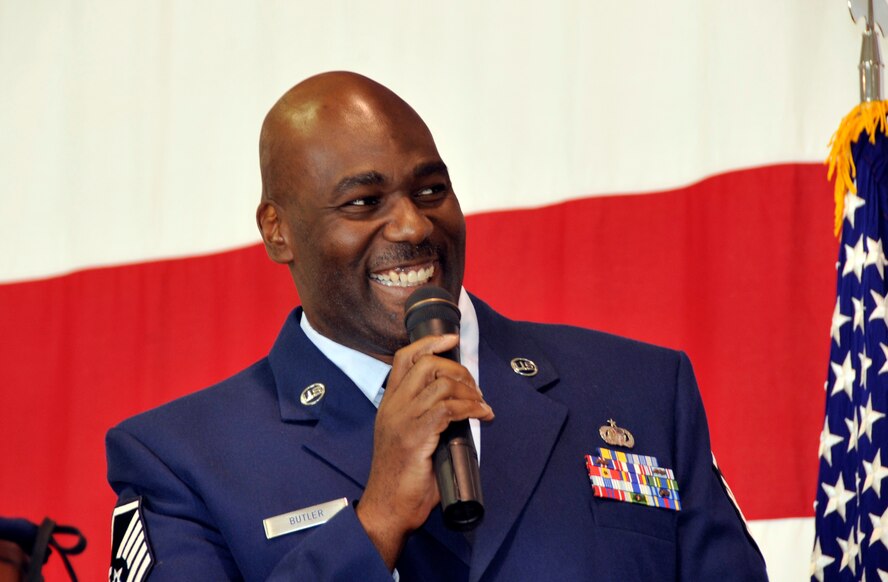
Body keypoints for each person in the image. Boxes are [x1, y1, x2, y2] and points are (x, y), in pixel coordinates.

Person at [106, 71, 768, 581]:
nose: (413, 227)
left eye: (430, 190)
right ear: (278, 232)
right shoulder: (180, 460)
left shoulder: (639, 391)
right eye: (364, 202)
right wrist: (376, 519)